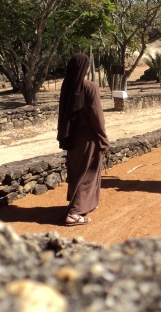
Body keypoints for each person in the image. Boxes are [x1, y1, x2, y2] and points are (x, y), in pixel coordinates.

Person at [57, 53, 110, 225]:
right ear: (85, 68)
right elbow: (97, 116)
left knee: (76, 172)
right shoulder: (90, 87)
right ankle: (74, 212)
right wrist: (103, 138)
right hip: (88, 136)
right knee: (88, 172)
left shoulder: (67, 86)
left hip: (72, 135)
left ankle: (85, 204)